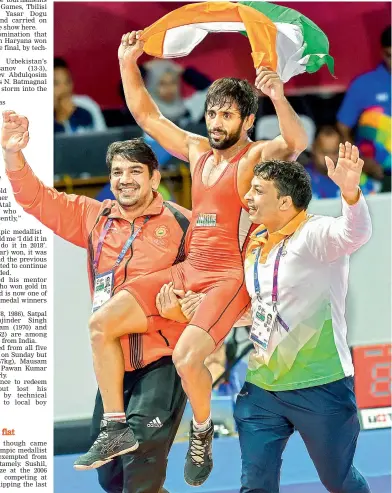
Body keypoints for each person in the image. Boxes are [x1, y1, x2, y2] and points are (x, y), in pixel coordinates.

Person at [75, 28, 308, 487]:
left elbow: (294, 142)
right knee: (101, 323)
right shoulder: (198, 151)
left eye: (226, 115)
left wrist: (279, 97)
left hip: (228, 277)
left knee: (186, 359)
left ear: (245, 122)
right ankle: (115, 426)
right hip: (190, 268)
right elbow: (146, 115)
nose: (215, 122)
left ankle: (201, 430)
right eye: (212, 113)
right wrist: (127, 63)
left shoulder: (254, 157)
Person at [1, 110, 200, 493]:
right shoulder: (95, 218)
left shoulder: (181, 223)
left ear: (155, 178)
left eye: (134, 171)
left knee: (140, 471)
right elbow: (36, 199)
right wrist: (12, 154)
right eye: (117, 172)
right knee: (112, 478)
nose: (124, 180)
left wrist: (194, 317)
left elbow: (212, 279)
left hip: (162, 364)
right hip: (115, 370)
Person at [234, 142, 372, 493]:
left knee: (338, 480)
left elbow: (355, 233)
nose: (247, 196)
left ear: (284, 201)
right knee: (255, 485)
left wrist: (351, 193)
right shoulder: (254, 244)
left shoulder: (316, 234)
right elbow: (264, 305)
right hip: (263, 386)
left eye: (257, 190)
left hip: (320, 384)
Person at [337, 25, 391, 191]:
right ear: (382, 53)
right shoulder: (363, 85)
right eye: (390, 56)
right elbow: (342, 128)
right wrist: (359, 159)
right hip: (378, 176)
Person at [306, 125, 376, 198]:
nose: (329, 158)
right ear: (313, 149)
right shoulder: (302, 178)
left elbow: (373, 201)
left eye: (335, 152)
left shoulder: (355, 176)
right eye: (325, 153)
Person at [54, 57, 106, 134]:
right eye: (56, 83)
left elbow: (104, 136)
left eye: (67, 82)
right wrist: (60, 120)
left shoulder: (87, 105)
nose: (64, 88)